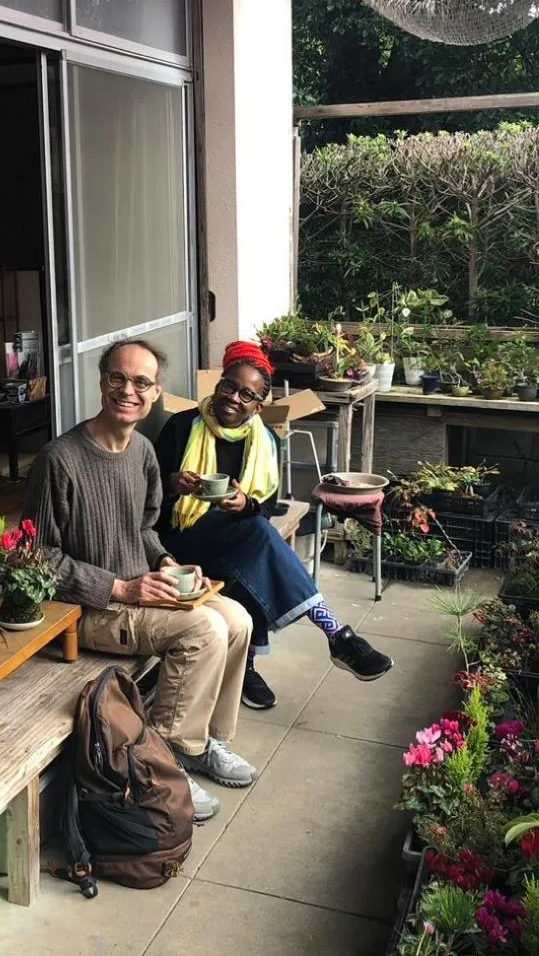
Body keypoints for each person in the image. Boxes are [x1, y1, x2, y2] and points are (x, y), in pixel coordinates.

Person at [24, 339, 257, 823]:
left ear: (155, 393)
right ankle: (162, 764)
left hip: (143, 593)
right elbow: (37, 559)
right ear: (102, 381)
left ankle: (204, 742)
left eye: (141, 383)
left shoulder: (144, 452)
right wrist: (120, 588)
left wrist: (170, 562)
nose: (128, 391)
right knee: (204, 632)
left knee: (236, 618)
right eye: (118, 378)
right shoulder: (59, 459)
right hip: (92, 610)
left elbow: (145, 531)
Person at [155, 341, 394, 711]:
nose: (234, 398)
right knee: (258, 541)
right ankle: (336, 634)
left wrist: (243, 504)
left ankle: (246, 665)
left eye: (247, 394)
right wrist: (174, 484)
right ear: (218, 385)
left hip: (233, 537)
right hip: (180, 539)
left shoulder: (263, 442)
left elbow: (264, 507)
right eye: (229, 386)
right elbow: (148, 494)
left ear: (258, 407)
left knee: (255, 546)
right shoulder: (182, 426)